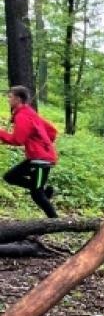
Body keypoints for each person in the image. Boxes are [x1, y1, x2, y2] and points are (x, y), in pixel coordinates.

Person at [0, 86, 59, 219]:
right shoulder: (28, 113)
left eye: (10, 96)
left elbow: (18, 140)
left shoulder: (23, 115)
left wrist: (1, 134)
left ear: (18, 99)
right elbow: (52, 132)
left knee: (36, 194)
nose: (8, 99)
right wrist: (40, 142)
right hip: (36, 157)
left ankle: (57, 222)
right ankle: (44, 192)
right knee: (10, 177)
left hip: (41, 160)